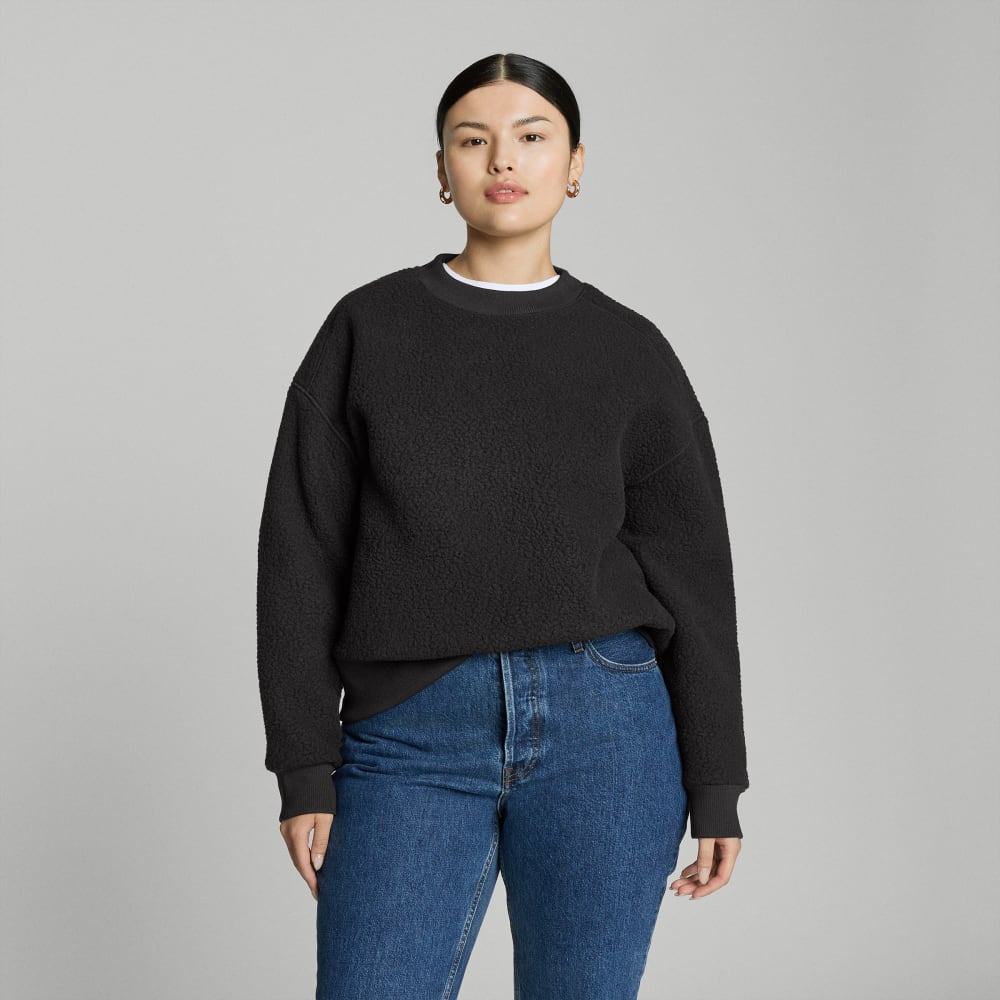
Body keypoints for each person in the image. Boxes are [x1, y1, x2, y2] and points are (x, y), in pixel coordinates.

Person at [256, 52, 750, 1000]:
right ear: (442, 170)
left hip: (608, 728)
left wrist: (717, 779)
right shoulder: (368, 328)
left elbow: (693, 569)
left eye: (532, 136)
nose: (503, 160)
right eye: (472, 140)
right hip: (408, 734)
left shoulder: (629, 349)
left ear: (575, 165)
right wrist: (306, 765)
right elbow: (300, 551)